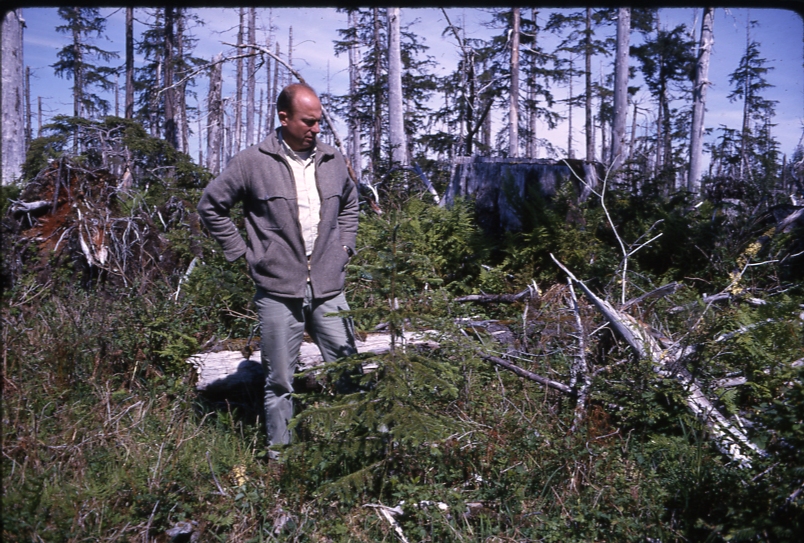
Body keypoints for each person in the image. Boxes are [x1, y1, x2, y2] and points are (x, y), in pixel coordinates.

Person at [198, 83, 359, 456]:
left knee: (350, 372)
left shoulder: (333, 160)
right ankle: (280, 461)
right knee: (279, 381)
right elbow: (211, 206)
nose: (316, 129)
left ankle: (363, 455)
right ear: (283, 118)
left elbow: (351, 206)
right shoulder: (252, 162)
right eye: (308, 121)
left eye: (319, 122)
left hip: (329, 286)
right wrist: (244, 252)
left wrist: (344, 246)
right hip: (277, 289)